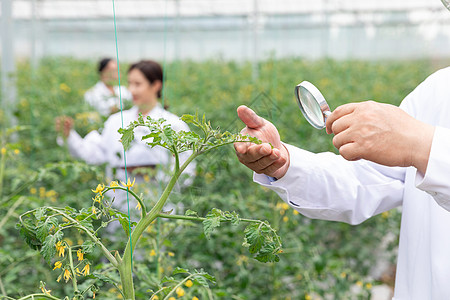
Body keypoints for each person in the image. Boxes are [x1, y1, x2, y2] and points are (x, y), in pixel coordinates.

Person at [234, 54, 450, 300]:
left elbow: (417, 147)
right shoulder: (438, 89)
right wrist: (283, 162)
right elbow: (368, 178)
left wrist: (422, 145)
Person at [57, 60, 195, 207]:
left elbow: (187, 172)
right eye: (130, 83)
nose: (132, 90)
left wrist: (154, 175)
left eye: (138, 84)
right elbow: (94, 154)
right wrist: (69, 136)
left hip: (159, 211)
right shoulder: (115, 121)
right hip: (119, 209)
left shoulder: (173, 124)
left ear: (156, 85)